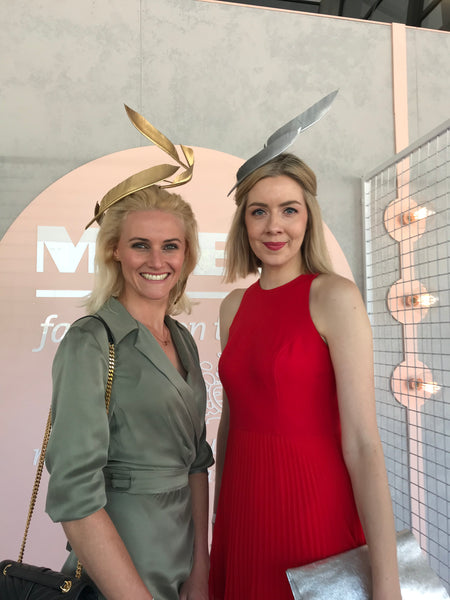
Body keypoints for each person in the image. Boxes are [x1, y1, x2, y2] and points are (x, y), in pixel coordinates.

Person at [209, 153, 401, 600]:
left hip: (314, 512)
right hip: (242, 512)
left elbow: (363, 442)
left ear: (308, 217)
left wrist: (386, 583)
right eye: (259, 211)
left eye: (288, 210)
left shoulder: (334, 296)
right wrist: (220, 523)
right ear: (244, 223)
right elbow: (229, 424)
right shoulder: (233, 306)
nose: (274, 226)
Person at [45, 107, 214, 600]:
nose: (157, 260)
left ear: (186, 256)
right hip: (120, 570)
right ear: (115, 251)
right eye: (140, 245)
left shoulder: (182, 340)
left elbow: (196, 462)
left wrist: (199, 576)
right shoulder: (90, 341)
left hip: (182, 562)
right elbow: (75, 497)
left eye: (171, 246)